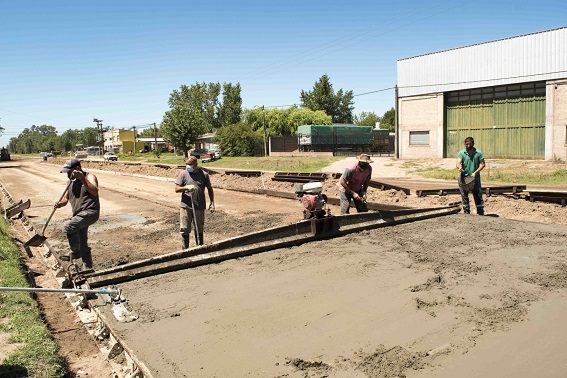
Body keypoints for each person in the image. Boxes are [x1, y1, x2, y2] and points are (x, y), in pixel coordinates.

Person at [55, 159, 100, 269]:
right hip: (78, 215)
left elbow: (94, 191)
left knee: (68, 226)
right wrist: (60, 204)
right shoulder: (69, 182)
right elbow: (66, 199)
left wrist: (82, 179)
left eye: (69, 172)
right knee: (83, 244)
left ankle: (75, 252)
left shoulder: (89, 177)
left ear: (78, 169)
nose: (68, 174)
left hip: (90, 212)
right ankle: (88, 269)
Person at [175, 156, 215, 249]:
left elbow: (209, 188)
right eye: (186, 164)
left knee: (199, 228)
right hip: (185, 205)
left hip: (199, 205)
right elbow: (176, 189)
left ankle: (199, 247)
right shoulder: (183, 174)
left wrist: (212, 202)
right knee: (184, 228)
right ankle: (185, 250)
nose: (187, 166)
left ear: (195, 165)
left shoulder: (204, 174)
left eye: (189, 165)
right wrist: (186, 187)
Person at [456, 136, 486, 215]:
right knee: (464, 196)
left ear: (473, 144)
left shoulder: (478, 153)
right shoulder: (462, 153)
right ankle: (466, 212)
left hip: (475, 179)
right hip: (464, 178)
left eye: (469, 144)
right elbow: (458, 162)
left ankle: (480, 212)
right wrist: (460, 167)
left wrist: (475, 172)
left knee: (478, 195)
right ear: (465, 144)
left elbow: (483, 164)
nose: (468, 146)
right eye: (466, 144)